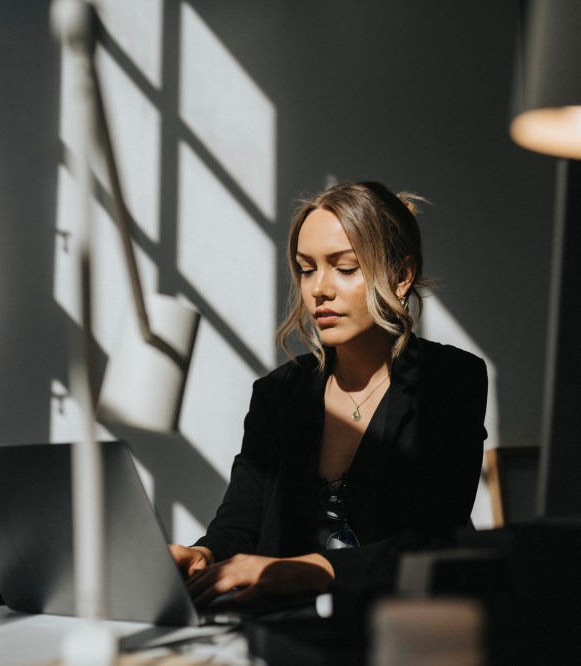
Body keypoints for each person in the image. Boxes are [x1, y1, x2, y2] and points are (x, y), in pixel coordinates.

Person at [169, 181, 488, 606]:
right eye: (306, 268)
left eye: (345, 267)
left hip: (408, 625)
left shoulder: (450, 380)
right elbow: (241, 522)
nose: (318, 288)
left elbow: (434, 538)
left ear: (401, 276)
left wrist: (315, 570)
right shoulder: (277, 394)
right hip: (285, 630)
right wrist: (202, 553)